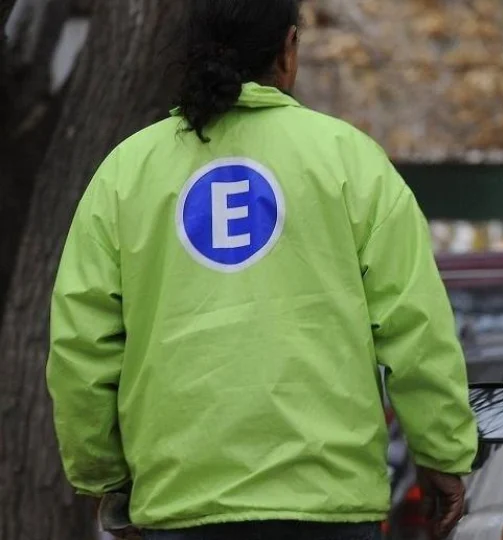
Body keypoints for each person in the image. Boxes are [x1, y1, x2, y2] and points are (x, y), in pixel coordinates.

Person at [45, 1, 477, 539]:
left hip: (180, 503)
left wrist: (105, 477)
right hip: (328, 502)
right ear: (288, 49)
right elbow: (416, 328)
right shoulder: (350, 160)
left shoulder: (126, 173)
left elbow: (82, 346)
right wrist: (441, 453)